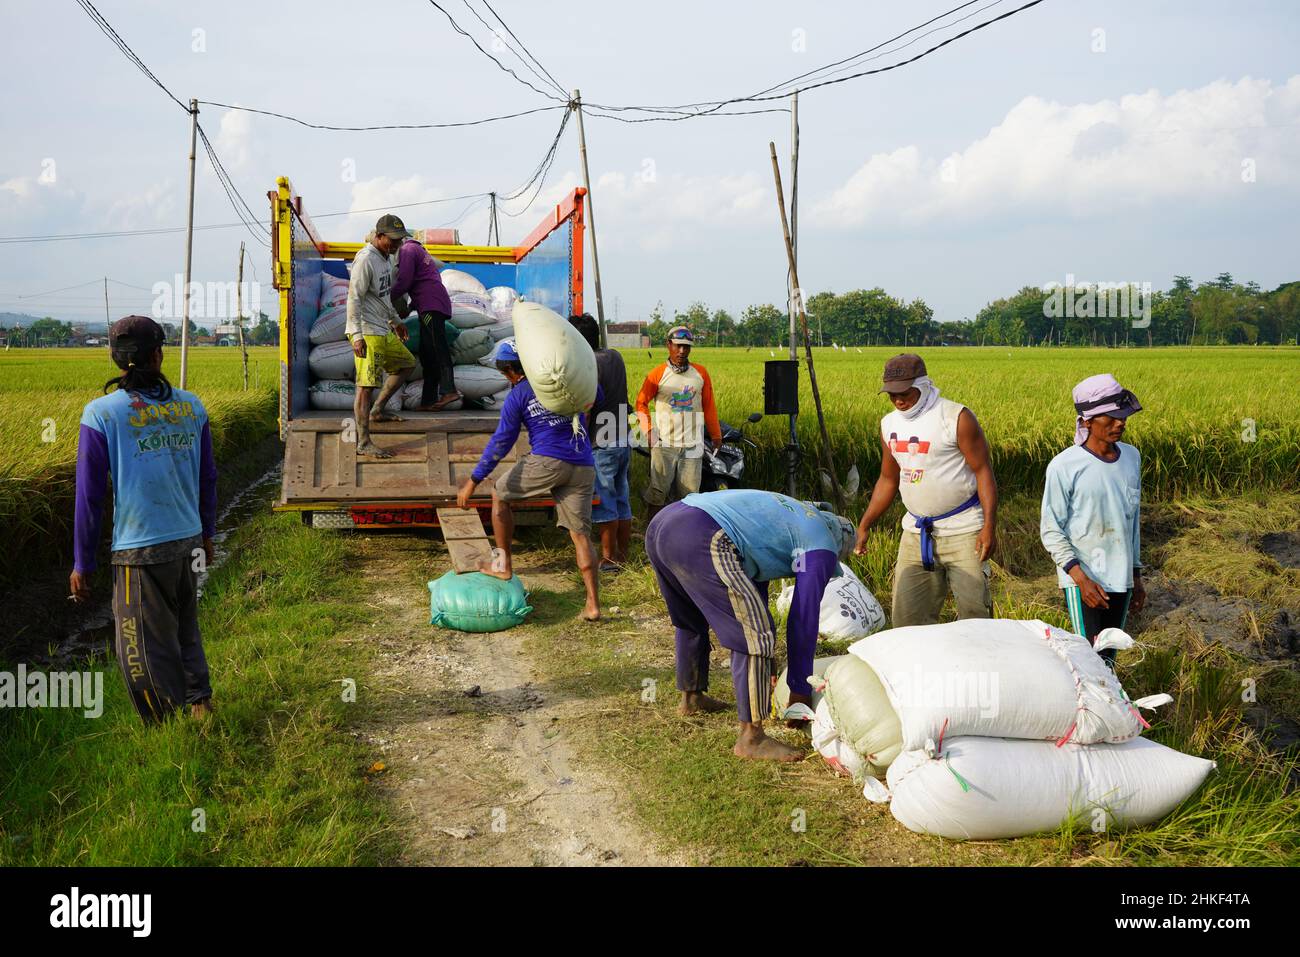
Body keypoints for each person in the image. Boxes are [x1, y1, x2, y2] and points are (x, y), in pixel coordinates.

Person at [69, 315, 217, 723]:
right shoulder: (191, 406)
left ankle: (164, 730)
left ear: (116, 359)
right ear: (157, 354)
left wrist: (83, 562)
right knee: (185, 630)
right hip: (187, 541)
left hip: (139, 551)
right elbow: (208, 477)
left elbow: (90, 496)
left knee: (140, 650)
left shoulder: (101, 413)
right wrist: (208, 534)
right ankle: (201, 708)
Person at [645, 489, 856, 761]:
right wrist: (800, 689)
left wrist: (766, 666)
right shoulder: (823, 545)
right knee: (756, 635)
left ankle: (692, 698)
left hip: (666, 522)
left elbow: (753, 588)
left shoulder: (792, 517)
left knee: (690, 618)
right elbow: (803, 617)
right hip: (704, 533)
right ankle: (752, 738)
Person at [457, 339, 602, 621]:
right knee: (581, 537)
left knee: (500, 494)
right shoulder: (564, 382)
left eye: (504, 373)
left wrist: (474, 480)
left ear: (511, 370)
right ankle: (593, 605)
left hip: (549, 460)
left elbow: (502, 440)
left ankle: (503, 565)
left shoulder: (519, 394)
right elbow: (594, 392)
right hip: (583, 463)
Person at [854, 353, 998, 627]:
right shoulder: (890, 424)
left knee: (975, 617)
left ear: (924, 384)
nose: (898, 400)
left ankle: (979, 667)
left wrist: (989, 526)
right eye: (892, 394)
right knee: (907, 622)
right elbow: (887, 479)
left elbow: (983, 471)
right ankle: (918, 670)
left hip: (964, 531)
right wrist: (865, 524)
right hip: (916, 533)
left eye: (906, 393)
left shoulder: (955, 417)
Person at [1040, 374, 1147, 664]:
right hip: (1085, 578)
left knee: (1109, 657)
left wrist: (1136, 576)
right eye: (1111, 418)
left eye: (1122, 416)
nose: (1120, 423)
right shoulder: (1065, 465)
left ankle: (1110, 707)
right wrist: (1080, 579)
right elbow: (1051, 529)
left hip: (1121, 576)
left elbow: (1131, 521)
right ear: (1087, 421)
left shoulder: (1131, 457)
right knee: (1089, 656)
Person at [346, 213, 417, 457]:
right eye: (392, 240)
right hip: (367, 331)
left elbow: (383, 296)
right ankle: (364, 442)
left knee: (407, 363)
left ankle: (378, 410)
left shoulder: (386, 258)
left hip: (382, 328)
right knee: (366, 386)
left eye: (400, 240)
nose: (397, 244)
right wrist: (355, 334)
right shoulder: (366, 259)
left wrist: (395, 321)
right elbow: (354, 297)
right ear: (379, 236)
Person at [635, 326, 721, 520]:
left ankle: (683, 535)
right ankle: (652, 532)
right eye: (678, 346)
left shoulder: (700, 373)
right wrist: (648, 431)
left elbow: (709, 406)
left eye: (686, 347)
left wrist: (716, 434)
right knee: (658, 493)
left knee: (690, 496)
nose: (682, 351)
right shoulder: (657, 374)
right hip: (664, 443)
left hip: (693, 444)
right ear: (669, 345)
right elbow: (640, 403)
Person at [569, 313, 631, 570]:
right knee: (621, 497)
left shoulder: (588, 364)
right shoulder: (615, 356)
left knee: (605, 499)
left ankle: (608, 557)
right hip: (623, 437)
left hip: (601, 441)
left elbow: (587, 407)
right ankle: (624, 554)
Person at [391, 231, 461, 412]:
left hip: (431, 306)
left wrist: (385, 297)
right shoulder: (419, 251)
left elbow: (405, 281)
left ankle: (449, 390)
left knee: (438, 347)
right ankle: (428, 400)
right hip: (430, 304)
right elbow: (423, 282)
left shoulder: (407, 250)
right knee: (427, 352)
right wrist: (411, 306)